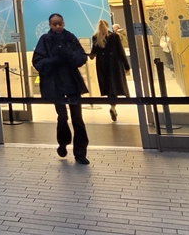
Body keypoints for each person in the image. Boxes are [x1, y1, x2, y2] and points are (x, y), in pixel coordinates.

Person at [33, 13, 90, 164]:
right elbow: (38, 61)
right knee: (63, 117)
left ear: (63, 23)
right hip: (55, 85)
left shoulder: (70, 37)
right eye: (54, 24)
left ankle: (80, 153)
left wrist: (69, 55)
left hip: (72, 84)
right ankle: (63, 143)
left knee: (78, 119)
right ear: (50, 25)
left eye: (60, 24)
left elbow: (81, 57)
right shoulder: (45, 40)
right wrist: (55, 60)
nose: (57, 27)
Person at [90, 19, 130, 122]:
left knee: (108, 86)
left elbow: (93, 53)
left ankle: (112, 106)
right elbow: (121, 51)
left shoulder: (95, 37)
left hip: (102, 64)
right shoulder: (114, 36)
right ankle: (113, 107)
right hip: (114, 63)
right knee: (115, 85)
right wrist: (127, 66)